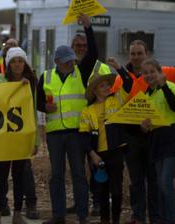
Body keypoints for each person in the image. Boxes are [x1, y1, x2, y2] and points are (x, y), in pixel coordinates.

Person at [111, 39, 175, 224]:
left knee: (160, 181)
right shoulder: (132, 84)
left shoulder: (167, 83)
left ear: (147, 54)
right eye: (133, 53)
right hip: (140, 137)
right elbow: (115, 103)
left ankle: (161, 217)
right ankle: (142, 216)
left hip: (168, 139)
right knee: (139, 181)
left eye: (140, 53)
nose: (136, 57)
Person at [37, 14, 96, 224]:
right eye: (66, 61)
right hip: (54, 135)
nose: (71, 63)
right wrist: (44, 106)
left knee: (79, 175)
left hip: (76, 133)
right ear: (56, 62)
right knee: (57, 176)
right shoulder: (45, 77)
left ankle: (82, 216)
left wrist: (88, 27)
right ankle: (58, 215)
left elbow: (93, 53)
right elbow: (36, 102)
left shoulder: (81, 72)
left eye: (72, 59)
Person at [79, 58, 133, 224]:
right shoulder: (87, 111)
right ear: (94, 90)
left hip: (116, 151)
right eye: (102, 86)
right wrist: (92, 154)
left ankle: (115, 220)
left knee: (116, 190)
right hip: (98, 155)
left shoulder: (116, 99)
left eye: (107, 85)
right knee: (101, 190)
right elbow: (83, 137)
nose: (107, 87)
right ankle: (104, 220)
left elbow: (129, 83)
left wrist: (119, 67)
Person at [0, 47, 39, 224]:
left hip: (22, 136)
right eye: (14, 61)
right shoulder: (0, 80)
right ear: (8, 64)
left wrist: (36, 140)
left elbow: (32, 111)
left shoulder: (31, 82)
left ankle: (18, 214)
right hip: (4, 136)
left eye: (20, 61)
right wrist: (16, 86)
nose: (17, 65)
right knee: (0, 176)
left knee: (19, 176)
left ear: (24, 63)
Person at [68, 32, 115, 216]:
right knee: (77, 168)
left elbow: (111, 92)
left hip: (96, 125)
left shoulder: (100, 68)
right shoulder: (67, 68)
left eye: (83, 46)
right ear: (72, 48)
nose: (80, 48)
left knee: (96, 166)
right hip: (73, 125)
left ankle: (97, 202)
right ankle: (80, 201)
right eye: (77, 46)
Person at [140, 59, 175, 224]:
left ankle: (171, 219)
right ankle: (163, 218)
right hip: (156, 140)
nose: (149, 75)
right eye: (145, 73)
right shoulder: (146, 95)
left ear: (160, 72)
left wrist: (164, 85)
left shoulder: (171, 87)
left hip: (172, 137)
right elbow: (146, 125)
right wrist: (144, 127)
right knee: (160, 183)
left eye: (152, 71)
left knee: (166, 181)